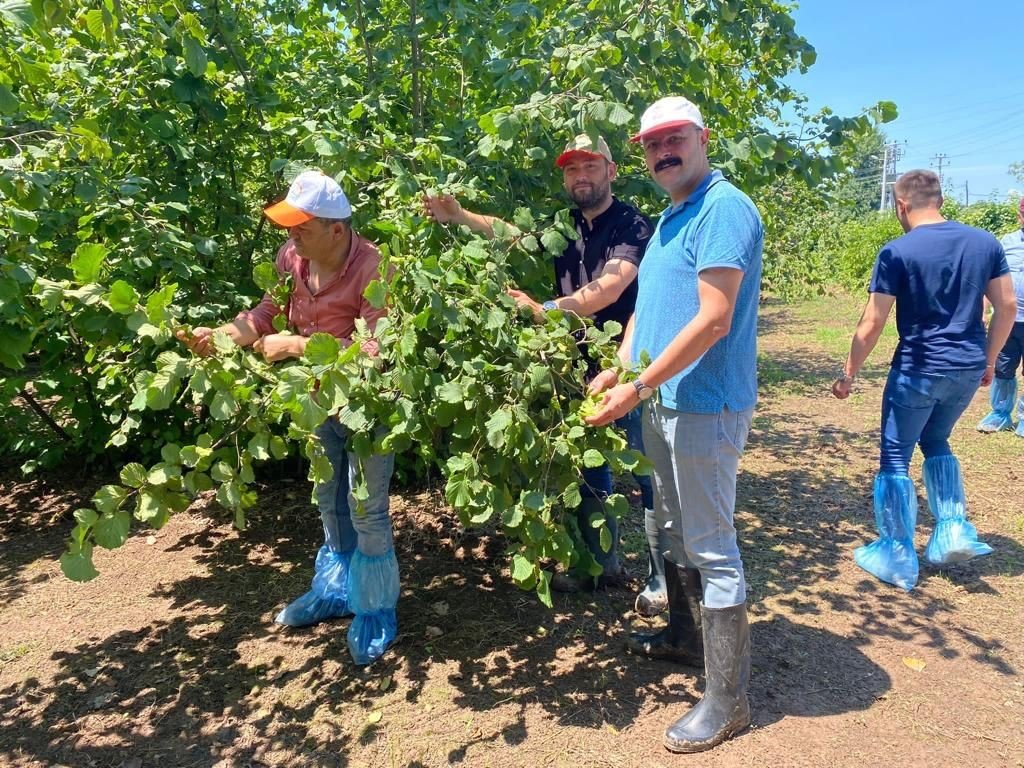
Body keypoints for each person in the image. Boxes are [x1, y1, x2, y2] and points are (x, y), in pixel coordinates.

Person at [585, 96, 763, 754]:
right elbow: (648, 311)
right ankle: (686, 638)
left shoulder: (723, 208)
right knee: (672, 527)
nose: (663, 151)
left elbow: (714, 319)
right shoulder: (670, 216)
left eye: (674, 138)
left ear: (703, 138)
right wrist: (620, 365)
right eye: (652, 143)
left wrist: (636, 386)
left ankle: (728, 702)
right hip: (663, 399)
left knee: (712, 545)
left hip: (705, 403)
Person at [423, 135, 664, 610]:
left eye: (590, 166)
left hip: (629, 363)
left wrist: (545, 310)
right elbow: (515, 233)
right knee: (589, 468)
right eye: (572, 169)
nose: (580, 176)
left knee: (648, 471)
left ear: (611, 171)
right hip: (574, 364)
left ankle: (664, 579)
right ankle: (599, 566)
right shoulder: (565, 224)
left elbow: (610, 288)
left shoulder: (632, 224)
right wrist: (461, 216)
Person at [177, 170, 399, 665]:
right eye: (289, 227)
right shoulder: (291, 258)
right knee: (328, 498)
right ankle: (335, 591)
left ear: (336, 230)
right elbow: (263, 315)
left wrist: (299, 345)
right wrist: (219, 337)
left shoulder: (374, 268)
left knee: (367, 509)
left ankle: (375, 610)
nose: (291, 236)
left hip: (369, 408)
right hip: (315, 402)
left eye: (302, 228)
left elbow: (378, 351)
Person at [832, 170, 1016, 592]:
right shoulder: (985, 242)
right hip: (966, 368)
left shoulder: (896, 251)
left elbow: (873, 321)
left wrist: (849, 373)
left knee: (895, 457)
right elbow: (1006, 306)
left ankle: (897, 555)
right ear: (941, 201)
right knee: (936, 440)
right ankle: (952, 530)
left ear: (901, 205)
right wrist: (988, 360)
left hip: (917, 369)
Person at [977, 197, 1024, 436]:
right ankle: (1000, 414)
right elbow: (991, 278)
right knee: (1003, 367)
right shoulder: (1006, 242)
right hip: (1008, 320)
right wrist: (984, 309)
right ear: (1020, 216)